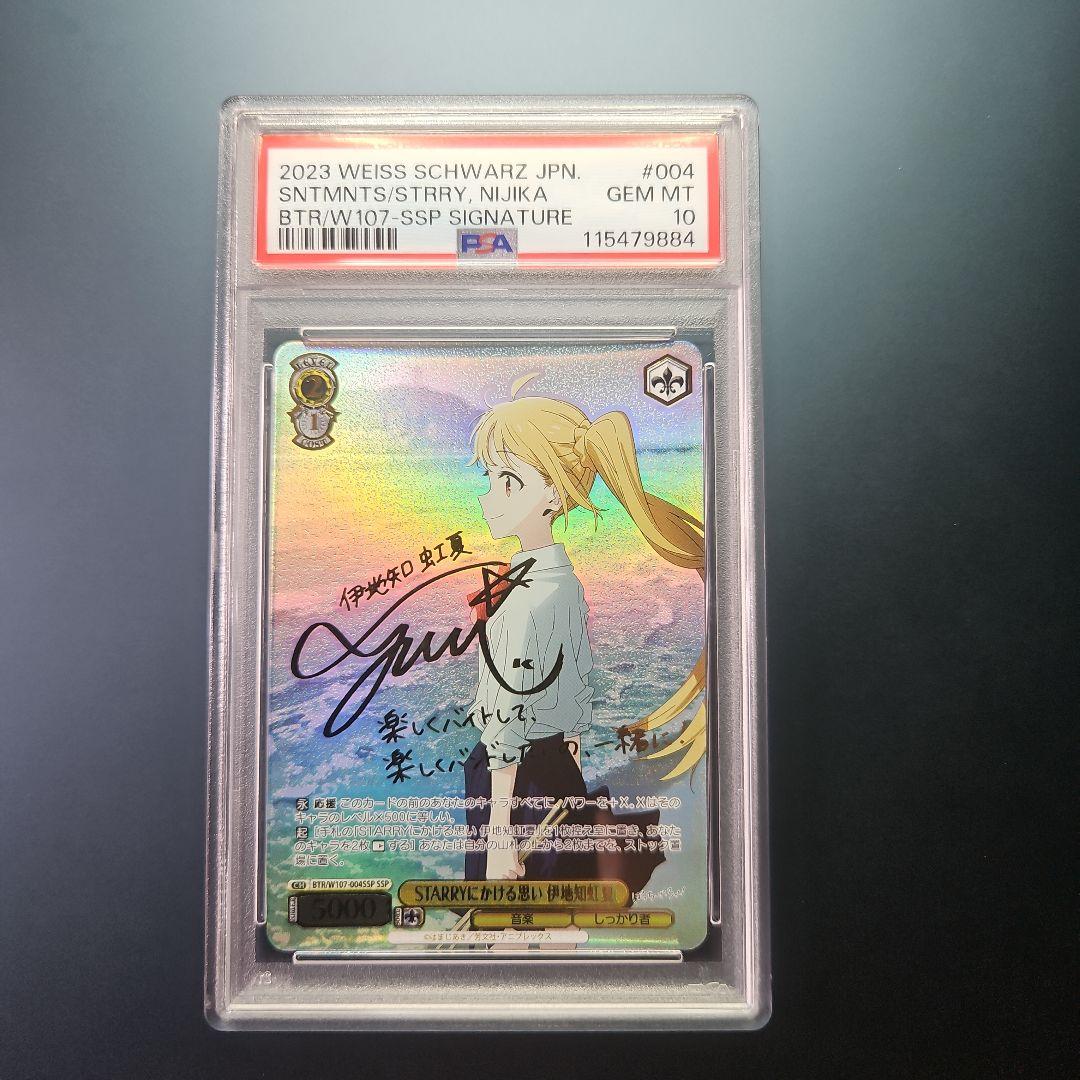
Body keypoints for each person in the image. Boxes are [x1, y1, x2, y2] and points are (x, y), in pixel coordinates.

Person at [462, 373, 706, 890]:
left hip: (516, 783)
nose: (489, 497)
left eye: (509, 480)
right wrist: (569, 761)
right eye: (490, 477)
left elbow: (508, 716)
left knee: (511, 920)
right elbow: (575, 682)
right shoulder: (561, 581)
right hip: (553, 771)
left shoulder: (530, 595)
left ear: (554, 495)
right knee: (555, 910)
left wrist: (500, 837)